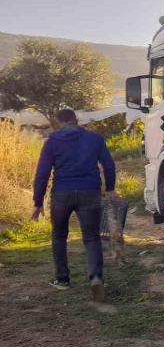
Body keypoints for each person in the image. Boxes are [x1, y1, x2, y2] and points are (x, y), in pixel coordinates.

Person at [31, 108, 117, 302]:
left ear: (59, 122)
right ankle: (96, 278)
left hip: (62, 193)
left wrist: (37, 202)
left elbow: (42, 174)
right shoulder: (95, 139)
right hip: (89, 191)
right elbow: (109, 164)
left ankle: (62, 279)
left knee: (59, 235)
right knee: (92, 238)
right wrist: (110, 188)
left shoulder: (52, 142)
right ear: (76, 120)